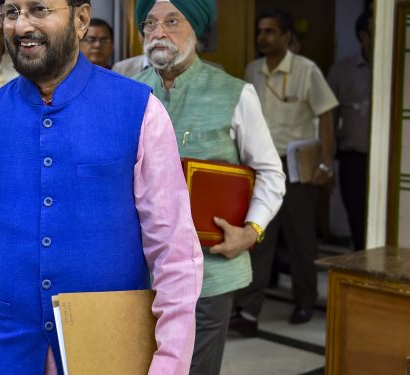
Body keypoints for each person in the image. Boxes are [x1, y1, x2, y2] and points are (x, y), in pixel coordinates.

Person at [0, 0, 203, 374]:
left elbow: (175, 254)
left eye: (39, 9)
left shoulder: (138, 110)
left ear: (81, 19)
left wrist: (168, 365)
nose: (21, 25)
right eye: (11, 12)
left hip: (109, 349)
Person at [133, 1, 285, 373]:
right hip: (139, 270)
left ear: (195, 29)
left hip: (211, 270)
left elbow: (271, 172)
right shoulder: (128, 93)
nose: (159, 33)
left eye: (172, 21)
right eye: (149, 23)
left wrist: (252, 232)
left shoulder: (235, 92)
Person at [231, 9, 338, 333]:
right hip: (260, 168)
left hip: (296, 169)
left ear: (287, 36)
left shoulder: (307, 71)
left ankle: (305, 301)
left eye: (270, 32)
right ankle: (248, 312)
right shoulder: (253, 69)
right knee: (258, 239)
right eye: (260, 32)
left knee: (301, 240)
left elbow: (328, 115)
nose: (263, 38)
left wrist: (325, 162)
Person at [327, 12, 372, 250]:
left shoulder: (396, 65)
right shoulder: (342, 70)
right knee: (356, 216)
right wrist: (327, 162)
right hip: (354, 157)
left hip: (390, 163)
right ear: (363, 35)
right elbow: (328, 118)